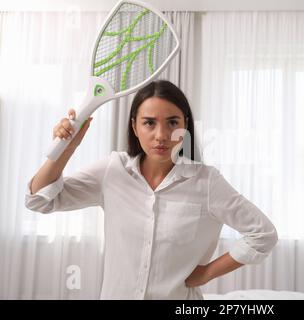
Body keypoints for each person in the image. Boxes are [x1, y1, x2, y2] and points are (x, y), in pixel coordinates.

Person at [25, 80, 278, 300]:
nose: (161, 135)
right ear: (134, 126)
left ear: (185, 126)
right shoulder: (112, 171)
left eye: (172, 122)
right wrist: (69, 146)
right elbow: (39, 200)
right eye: (149, 123)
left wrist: (205, 274)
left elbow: (263, 233)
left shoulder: (206, 181)